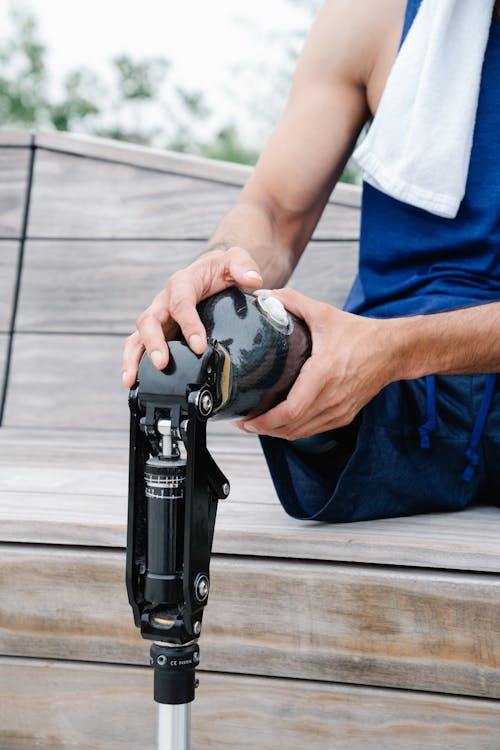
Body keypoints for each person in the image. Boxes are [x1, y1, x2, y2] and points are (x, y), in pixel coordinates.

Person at [122, 0, 500, 522]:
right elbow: (276, 209)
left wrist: (398, 348)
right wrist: (222, 268)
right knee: (250, 340)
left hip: (402, 352)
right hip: (387, 393)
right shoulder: (374, 15)